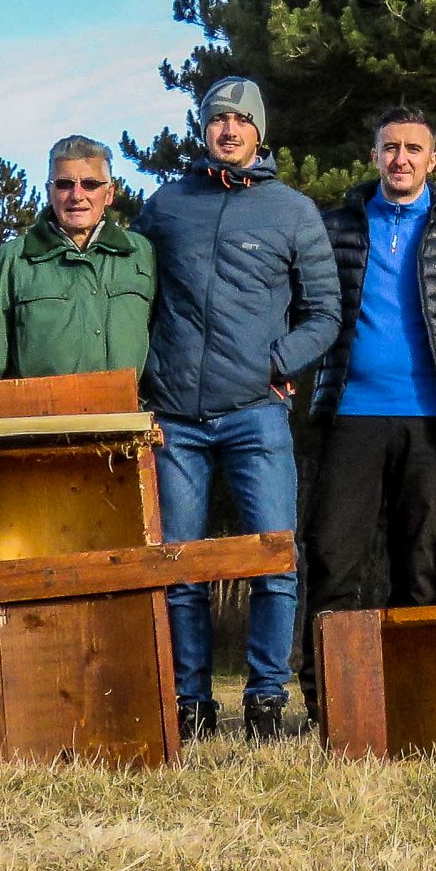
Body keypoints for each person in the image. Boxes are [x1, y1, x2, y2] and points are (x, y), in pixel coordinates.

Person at [132, 76, 340, 742]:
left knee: (274, 558)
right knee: (181, 565)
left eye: (240, 120)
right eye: (217, 118)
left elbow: (325, 312)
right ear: (203, 129)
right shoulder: (166, 207)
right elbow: (133, 294)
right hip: (176, 420)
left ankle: (266, 701)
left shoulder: (293, 211)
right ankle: (190, 701)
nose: (228, 129)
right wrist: (140, 380)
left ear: (259, 132)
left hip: (256, 413)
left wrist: (277, 363)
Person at [301, 108, 436, 707]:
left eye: (413, 149)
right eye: (389, 148)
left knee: (422, 561)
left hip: (433, 419)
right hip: (350, 413)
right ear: (375, 156)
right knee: (333, 557)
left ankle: (416, 697)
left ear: (433, 161)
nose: (400, 158)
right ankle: (328, 697)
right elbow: (300, 304)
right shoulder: (336, 227)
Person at [0, 135, 155, 415]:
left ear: (109, 193)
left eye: (90, 184)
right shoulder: (11, 261)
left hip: (125, 433)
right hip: (36, 432)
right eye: (64, 184)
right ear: (50, 191)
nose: (77, 195)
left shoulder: (141, 255)